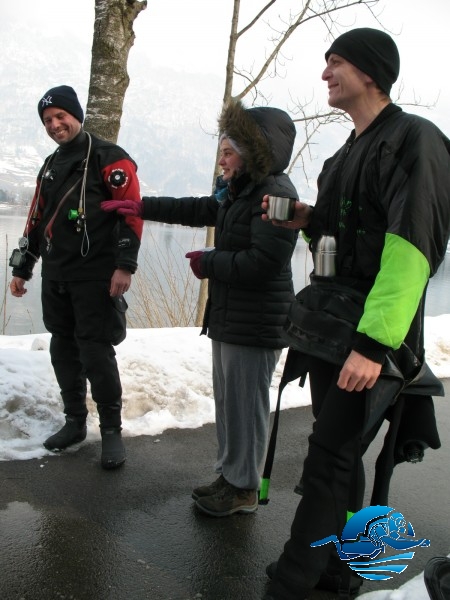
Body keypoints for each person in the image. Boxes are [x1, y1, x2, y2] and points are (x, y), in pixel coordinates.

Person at [261, 28, 450, 599]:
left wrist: (374, 345)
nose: (325, 73)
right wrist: (305, 218)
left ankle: (292, 581)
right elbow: (347, 231)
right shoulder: (348, 150)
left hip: (368, 335)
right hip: (329, 327)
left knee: (327, 458)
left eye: (336, 62)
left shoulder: (415, 139)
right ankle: (338, 572)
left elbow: (412, 244)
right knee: (338, 453)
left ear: (371, 73)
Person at [102, 99, 299, 515]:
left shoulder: (275, 194)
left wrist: (210, 262)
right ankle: (231, 476)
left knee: (246, 408)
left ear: (251, 154)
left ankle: (244, 489)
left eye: (228, 152)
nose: (221, 160)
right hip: (232, 316)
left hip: (257, 320)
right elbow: (196, 208)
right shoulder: (238, 192)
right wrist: (143, 207)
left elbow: (265, 264)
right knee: (229, 403)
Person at [10, 85, 143, 469]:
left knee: (95, 351)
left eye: (60, 117)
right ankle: (74, 422)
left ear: (76, 115)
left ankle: (112, 431)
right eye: (48, 121)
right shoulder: (50, 165)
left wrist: (125, 265)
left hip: (96, 276)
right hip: (56, 275)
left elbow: (131, 213)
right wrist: (23, 268)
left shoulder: (110, 158)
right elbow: (37, 218)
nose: (55, 125)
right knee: (62, 348)